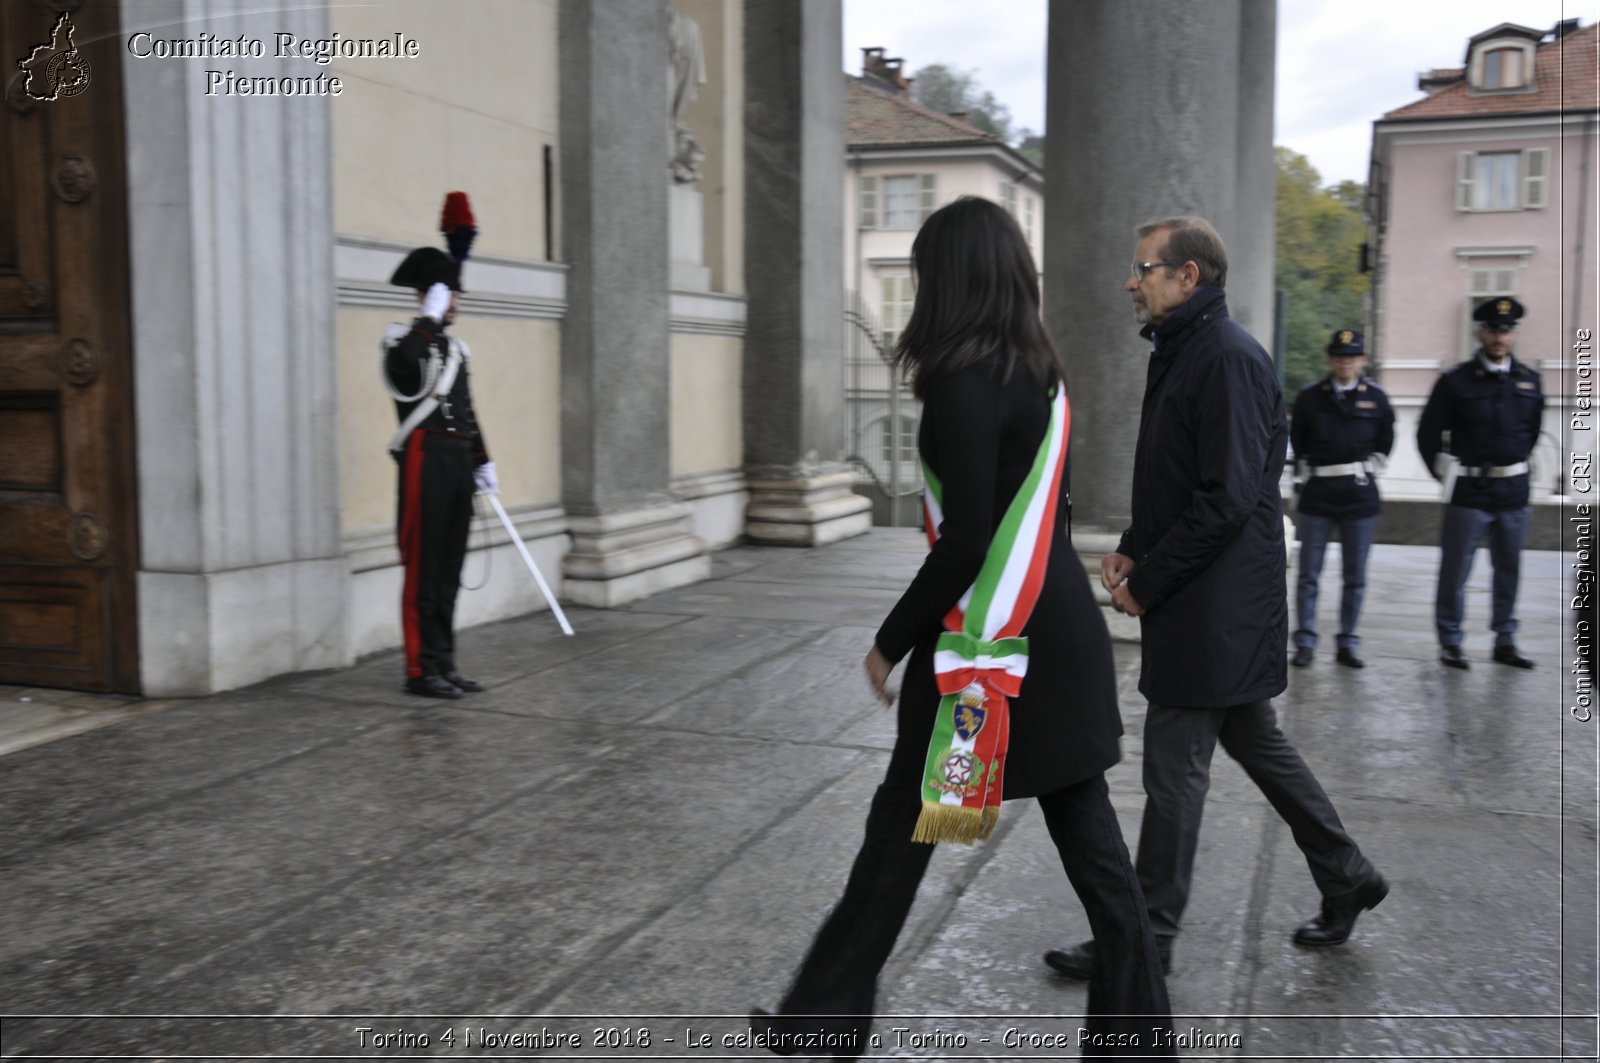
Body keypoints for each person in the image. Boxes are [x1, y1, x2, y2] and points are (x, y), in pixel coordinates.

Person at [752, 198, 1173, 1059]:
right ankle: (1138, 1041)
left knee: (903, 832)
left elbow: (971, 538)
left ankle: (821, 1023)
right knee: (1081, 847)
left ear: (947, 279)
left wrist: (890, 638)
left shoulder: (962, 376)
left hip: (991, 647)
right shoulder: (1040, 370)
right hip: (1049, 634)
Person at [1045, 217, 1387, 984]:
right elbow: (1183, 478)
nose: (1132, 281)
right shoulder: (1187, 350)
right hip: (1215, 599)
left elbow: (1228, 497)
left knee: (1172, 769)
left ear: (1188, 276)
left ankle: (1146, 936)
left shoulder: (1225, 358)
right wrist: (1136, 538)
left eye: (1144, 268)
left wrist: (1148, 583)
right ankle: (1347, 872)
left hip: (1214, 604)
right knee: (1255, 743)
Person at [384, 245, 496, 699]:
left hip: (457, 462)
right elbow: (405, 369)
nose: (456, 303)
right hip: (424, 459)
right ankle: (418, 668)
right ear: (427, 295)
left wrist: (483, 459)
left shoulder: (456, 350)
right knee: (424, 568)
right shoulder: (401, 342)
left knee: (449, 568)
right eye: (448, 294)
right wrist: (426, 321)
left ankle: (444, 662)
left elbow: (466, 411)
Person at [1416, 297, 1544, 670]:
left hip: (1513, 491)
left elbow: (1531, 432)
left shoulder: (1530, 381)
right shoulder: (1454, 381)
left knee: (1509, 569)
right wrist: (1445, 473)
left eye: (1506, 330)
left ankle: (1505, 639)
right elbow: (1428, 434)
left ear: (1513, 334)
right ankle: (1451, 641)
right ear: (1480, 332)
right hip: (1469, 491)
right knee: (1456, 571)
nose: (1500, 336)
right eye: (1493, 329)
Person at [1289, 330, 1396, 668]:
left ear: (1362, 359)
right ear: (1330, 358)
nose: (1345, 361)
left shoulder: (1377, 399)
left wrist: (1370, 465)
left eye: (1352, 355)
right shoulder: (1309, 398)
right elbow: (1298, 440)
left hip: (1359, 496)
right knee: (1309, 574)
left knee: (1355, 577)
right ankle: (1305, 640)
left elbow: (1386, 439)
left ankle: (1347, 642)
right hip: (1318, 493)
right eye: (1339, 355)